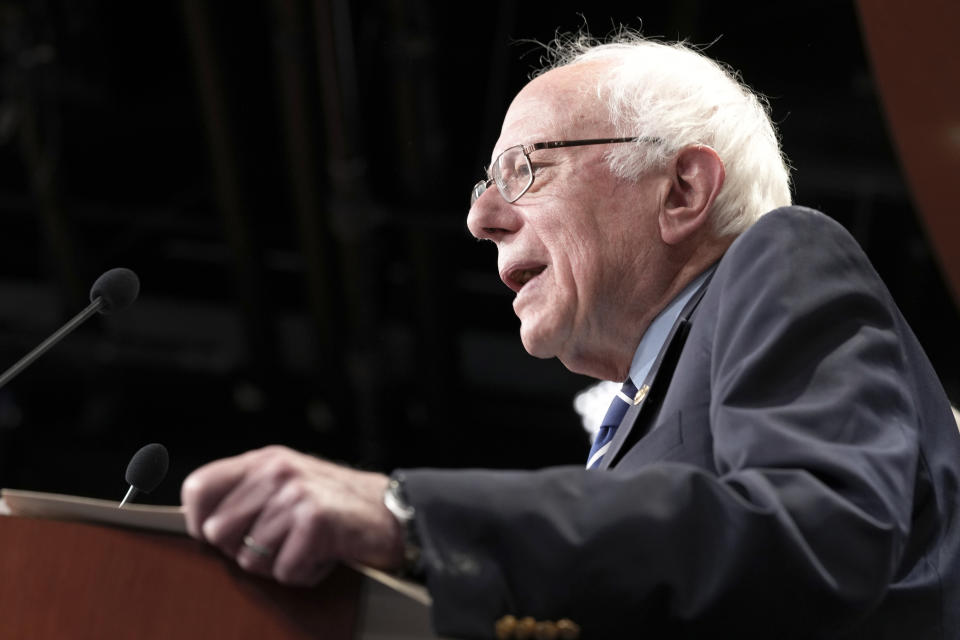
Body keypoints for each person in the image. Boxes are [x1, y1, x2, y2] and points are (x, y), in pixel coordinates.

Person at [181, 32, 960, 638]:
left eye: (522, 170)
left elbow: (817, 533)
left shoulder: (784, 256)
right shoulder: (639, 413)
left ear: (684, 189)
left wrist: (407, 515)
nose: (480, 219)